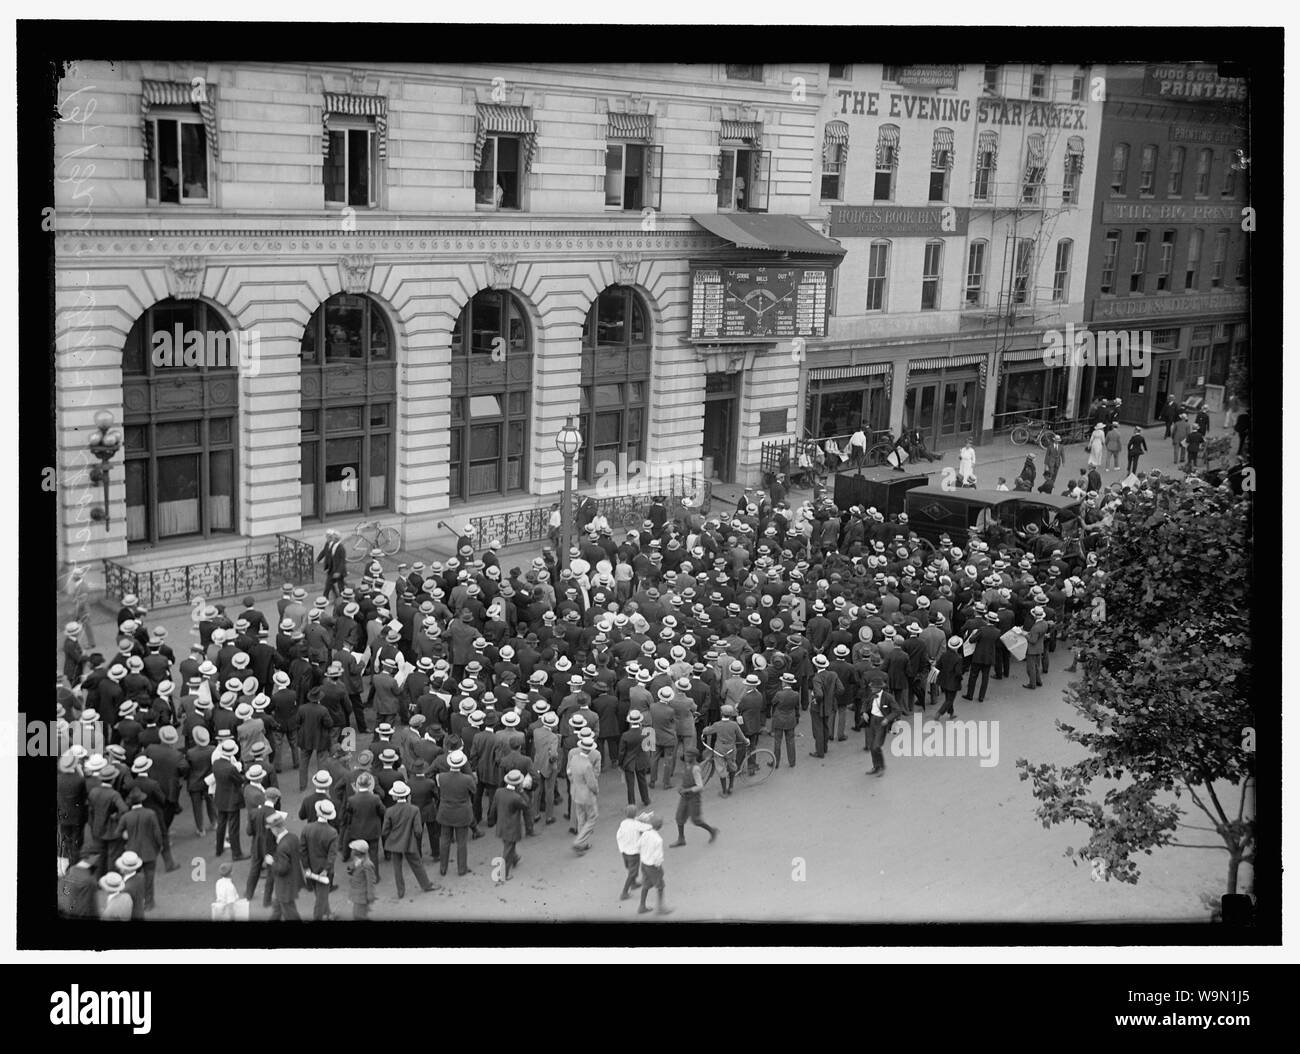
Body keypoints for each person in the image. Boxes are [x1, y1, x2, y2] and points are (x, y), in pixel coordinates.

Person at [381, 781, 436, 897]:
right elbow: (418, 830)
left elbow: (384, 831)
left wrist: (392, 837)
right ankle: (426, 885)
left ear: (395, 796)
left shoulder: (389, 811)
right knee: (417, 864)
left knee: (397, 868)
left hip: (394, 843)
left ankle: (400, 891)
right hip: (409, 842)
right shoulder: (414, 809)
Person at [670, 750, 718, 847]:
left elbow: (700, 786)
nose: (686, 757)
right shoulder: (688, 765)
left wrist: (687, 790)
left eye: (688, 756)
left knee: (696, 820)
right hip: (685, 797)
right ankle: (681, 839)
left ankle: (712, 830)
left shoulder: (695, 768)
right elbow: (700, 766)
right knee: (679, 816)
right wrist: (681, 787)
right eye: (686, 755)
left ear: (693, 757)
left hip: (694, 798)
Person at [265, 810, 305, 921]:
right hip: (292, 880)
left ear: (276, 828)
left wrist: (271, 862)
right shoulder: (293, 837)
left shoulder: (283, 845)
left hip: (285, 885)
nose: (271, 831)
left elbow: (282, 869)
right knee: (277, 909)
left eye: (272, 829)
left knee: (290, 913)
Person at [701, 704, 749, 796]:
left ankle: (724, 791)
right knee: (732, 766)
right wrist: (746, 741)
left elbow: (707, 731)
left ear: (721, 713)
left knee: (721, 769)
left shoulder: (717, 725)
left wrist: (705, 729)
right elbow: (742, 737)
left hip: (719, 751)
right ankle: (731, 787)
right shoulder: (734, 725)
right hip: (731, 749)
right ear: (731, 715)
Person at [493, 769, 530, 881]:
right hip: (511, 828)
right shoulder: (516, 797)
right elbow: (526, 804)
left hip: (501, 824)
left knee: (508, 846)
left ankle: (515, 858)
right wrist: (522, 791)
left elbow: (493, 808)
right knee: (508, 850)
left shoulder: (499, 792)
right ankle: (503, 874)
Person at [567, 738, 600, 853]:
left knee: (581, 818)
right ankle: (579, 841)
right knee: (592, 818)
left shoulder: (574, 758)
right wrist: (596, 791)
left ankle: (583, 843)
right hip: (586, 795)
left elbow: (569, 772)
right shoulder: (587, 765)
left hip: (575, 792)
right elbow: (591, 784)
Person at [864, 674, 898, 777]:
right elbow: (865, 704)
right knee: (871, 746)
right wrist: (864, 712)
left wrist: (887, 719)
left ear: (879, 688)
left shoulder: (888, 697)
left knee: (876, 746)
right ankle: (875, 766)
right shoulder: (871, 695)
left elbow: (897, 710)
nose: (871, 688)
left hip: (881, 723)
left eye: (873, 686)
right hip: (871, 721)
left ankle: (882, 766)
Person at [636, 815, 671, 916]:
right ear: (660, 827)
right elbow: (658, 857)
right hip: (653, 866)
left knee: (646, 884)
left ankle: (642, 906)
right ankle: (661, 908)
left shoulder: (645, 834)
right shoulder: (658, 839)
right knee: (660, 886)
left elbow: (638, 845)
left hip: (644, 864)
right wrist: (659, 866)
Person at [618, 709, 652, 808]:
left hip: (629, 762)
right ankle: (646, 799)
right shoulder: (645, 733)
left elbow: (621, 752)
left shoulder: (625, 735)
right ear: (639, 721)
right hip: (641, 760)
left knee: (630, 784)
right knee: (642, 781)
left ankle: (631, 803)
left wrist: (620, 763)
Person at [616, 806, 649, 901]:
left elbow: (619, 835)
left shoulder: (623, 823)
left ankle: (634, 883)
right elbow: (647, 827)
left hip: (624, 852)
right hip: (633, 853)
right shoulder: (636, 824)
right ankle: (624, 892)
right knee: (632, 872)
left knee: (630, 869)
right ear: (635, 814)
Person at [346, 838, 378, 919]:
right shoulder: (356, 861)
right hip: (355, 893)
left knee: (359, 916)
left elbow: (371, 881)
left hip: (362, 895)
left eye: (352, 850)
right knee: (358, 914)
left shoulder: (367, 865)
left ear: (357, 852)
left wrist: (370, 895)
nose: (351, 852)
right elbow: (352, 870)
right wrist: (350, 869)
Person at [316, 528, 348, 600]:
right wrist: (319, 559)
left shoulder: (341, 548)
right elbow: (326, 552)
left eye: (332, 537)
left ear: (336, 538)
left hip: (338, 571)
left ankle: (344, 599)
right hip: (332, 570)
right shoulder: (332, 545)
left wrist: (338, 572)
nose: (331, 538)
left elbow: (342, 561)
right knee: (328, 585)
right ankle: (325, 599)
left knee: (341, 587)